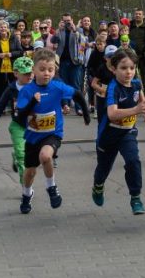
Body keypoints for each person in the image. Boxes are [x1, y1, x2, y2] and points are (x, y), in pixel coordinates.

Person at [15, 48, 90, 214]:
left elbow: (77, 94)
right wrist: (32, 102)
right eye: (42, 69)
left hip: (53, 133)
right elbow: (21, 115)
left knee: (45, 156)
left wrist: (86, 114)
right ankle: (27, 194)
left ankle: (51, 187)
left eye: (50, 70)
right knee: (30, 172)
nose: (46, 73)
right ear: (34, 70)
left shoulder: (57, 86)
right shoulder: (27, 91)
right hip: (33, 137)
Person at [91, 48, 145, 213]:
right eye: (123, 68)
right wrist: (136, 110)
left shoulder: (137, 84)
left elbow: (142, 100)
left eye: (132, 68)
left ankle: (136, 197)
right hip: (108, 135)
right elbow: (112, 114)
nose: (128, 72)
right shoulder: (113, 88)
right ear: (113, 69)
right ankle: (98, 186)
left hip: (127, 132)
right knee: (103, 168)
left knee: (133, 161)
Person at [0, 55, 35, 177]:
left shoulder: (37, 86)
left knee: (31, 153)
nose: (30, 76)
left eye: (31, 73)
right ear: (16, 74)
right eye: (26, 73)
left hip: (34, 125)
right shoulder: (11, 89)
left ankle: (16, 156)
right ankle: (25, 184)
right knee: (22, 154)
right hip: (18, 125)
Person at [54, 14, 86, 111]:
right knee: (64, 84)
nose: (67, 23)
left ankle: (78, 107)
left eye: (68, 20)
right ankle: (65, 105)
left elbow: (83, 41)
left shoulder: (79, 30)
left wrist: (74, 30)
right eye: (65, 21)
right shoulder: (60, 30)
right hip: (62, 61)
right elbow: (53, 41)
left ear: (72, 20)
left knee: (76, 84)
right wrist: (58, 30)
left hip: (75, 62)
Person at [0, 20, 21, 110]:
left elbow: (20, 51)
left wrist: (11, 54)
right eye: (1, 27)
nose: (3, 29)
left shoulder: (14, 38)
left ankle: (15, 106)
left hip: (12, 67)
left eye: (5, 27)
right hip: (0, 68)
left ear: (8, 29)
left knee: (14, 87)